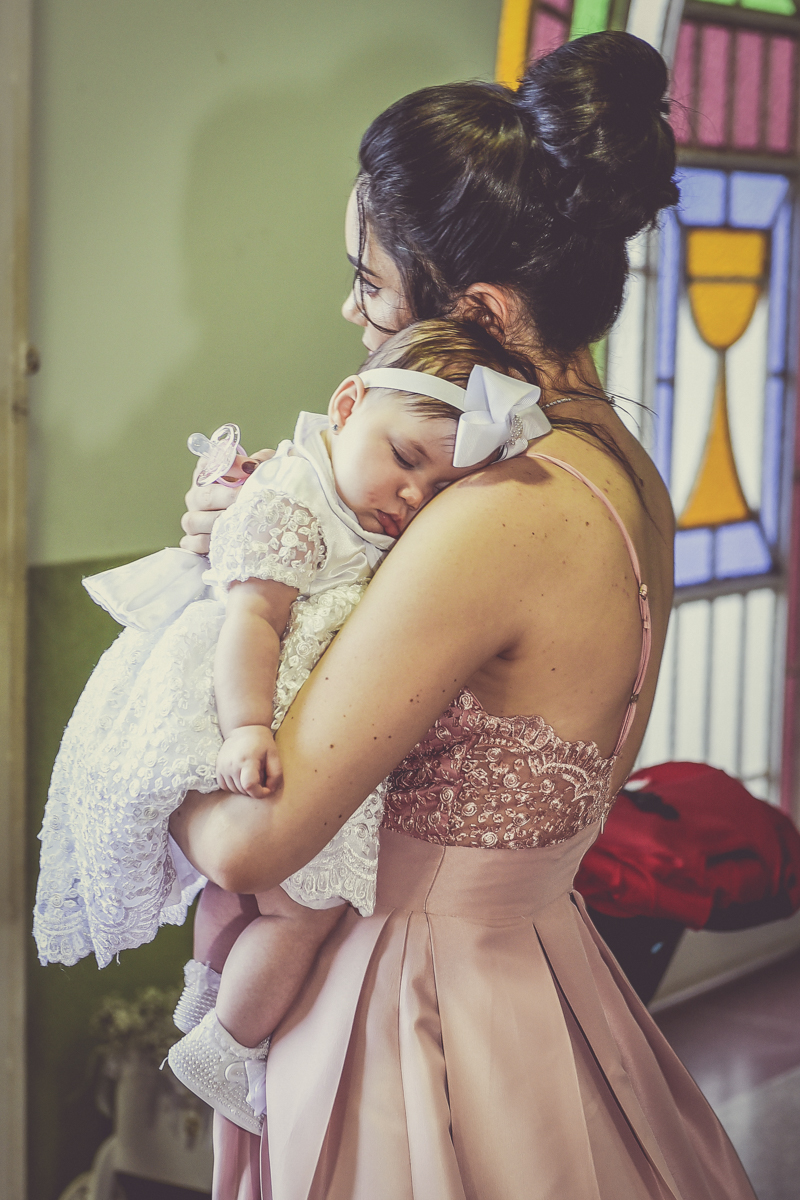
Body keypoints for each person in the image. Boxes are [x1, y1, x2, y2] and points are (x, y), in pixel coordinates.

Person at [172, 31, 757, 1200]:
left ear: (480, 307)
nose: (352, 310)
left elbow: (254, 840)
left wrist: (191, 637)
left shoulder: (499, 512)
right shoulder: (617, 466)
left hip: (410, 1010)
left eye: (370, 279)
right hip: (535, 967)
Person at [34, 318, 549, 1132]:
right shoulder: (295, 499)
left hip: (279, 711)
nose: (412, 496)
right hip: (245, 705)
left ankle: (210, 997)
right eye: (406, 460)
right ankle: (228, 1044)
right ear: (347, 405)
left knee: (253, 907)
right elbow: (250, 624)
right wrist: (245, 730)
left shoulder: (360, 506)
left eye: (439, 489)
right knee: (305, 914)